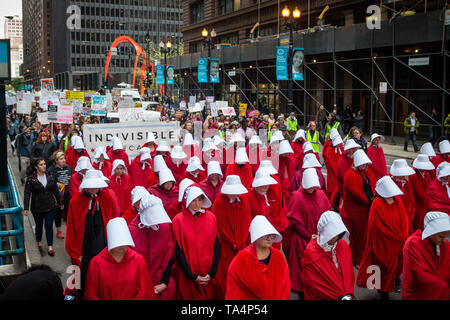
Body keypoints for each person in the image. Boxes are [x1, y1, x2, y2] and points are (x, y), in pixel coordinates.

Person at [65, 169, 119, 299]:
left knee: (103, 277)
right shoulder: (76, 201)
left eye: (96, 185)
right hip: (84, 246)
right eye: (91, 186)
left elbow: (114, 222)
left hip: (103, 244)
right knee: (83, 277)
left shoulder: (107, 198)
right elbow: (71, 227)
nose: (94, 188)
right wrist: (74, 252)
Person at [356, 176, 410, 300]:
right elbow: (379, 227)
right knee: (382, 268)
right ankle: (382, 291)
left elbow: (404, 219)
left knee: (395, 267)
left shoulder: (397, 200)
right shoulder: (377, 204)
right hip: (382, 243)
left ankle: (390, 285)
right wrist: (396, 236)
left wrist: (402, 235)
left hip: (397, 242)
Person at [284, 169, 331, 299]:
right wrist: (308, 235)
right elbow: (294, 220)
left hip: (320, 239)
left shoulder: (321, 194)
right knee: (303, 272)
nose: (312, 189)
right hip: (302, 241)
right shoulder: (297, 196)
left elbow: (328, 215)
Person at [84, 217, 156, 300]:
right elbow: (91, 294)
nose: (121, 246)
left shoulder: (138, 260)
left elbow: (145, 291)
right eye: (117, 244)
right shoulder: (96, 263)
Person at [172, 185, 220, 300]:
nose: (197, 204)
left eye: (199, 200)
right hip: (188, 276)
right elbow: (178, 251)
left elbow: (216, 246)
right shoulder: (178, 220)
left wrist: (212, 272)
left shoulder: (211, 218)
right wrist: (192, 276)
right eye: (193, 200)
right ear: (187, 201)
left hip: (208, 274)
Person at [225, 215, 290, 300]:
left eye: (271, 235)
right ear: (256, 236)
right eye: (265, 234)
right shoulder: (241, 259)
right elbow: (234, 291)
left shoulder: (279, 257)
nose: (269, 238)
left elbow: (285, 285)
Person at [129, 194, 176, 300]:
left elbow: (169, 256)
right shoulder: (132, 230)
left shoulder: (164, 228)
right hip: (137, 285)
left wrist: (164, 283)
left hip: (161, 283)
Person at [212, 175, 252, 298]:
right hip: (225, 246)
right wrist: (232, 241)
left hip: (241, 245)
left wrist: (241, 241)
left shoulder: (244, 200)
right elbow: (220, 225)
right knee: (225, 273)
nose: (235, 194)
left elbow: (246, 221)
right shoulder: (219, 202)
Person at [302, 211, 354, 300]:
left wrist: (348, 292)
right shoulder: (312, 252)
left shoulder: (343, 246)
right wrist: (337, 295)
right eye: (332, 233)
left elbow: (348, 272)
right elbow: (313, 283)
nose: (335, 236)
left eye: (337, 233)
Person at [402, 211, 450, 300]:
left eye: (445, 237)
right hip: (421, 293)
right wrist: (442, 285)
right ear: (431, 231)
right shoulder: (413, 243)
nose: (444, 240)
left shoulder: (444, 243)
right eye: (441, 236)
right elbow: (418, 274)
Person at [341, 149, 377, 266]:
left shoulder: (369, 173)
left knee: (365, 235)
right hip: (355, 211)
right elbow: (356, 193)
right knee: (357, 236)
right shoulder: (349, 175)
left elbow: (374, 186)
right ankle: (355, 258)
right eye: (361, 163)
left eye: (365, 163)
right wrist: (370, 201)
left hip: (367, 209)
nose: (364, 165)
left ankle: (362, 256)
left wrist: (374, 199)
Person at [23, 158, 63, 257]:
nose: (44, 166)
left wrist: (60, 203)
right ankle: (39, 241)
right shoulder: (31, 179)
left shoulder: (50, 176)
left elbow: (55, 191)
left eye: (44, 164)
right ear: (36, 167)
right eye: (41, 165)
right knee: (39, 225)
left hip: (50, 206)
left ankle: (50, 246)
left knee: (49, 225)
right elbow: (27, 194)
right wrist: (26, 208)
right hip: (37, 207)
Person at [247, 171, 286, 239]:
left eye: (267, 184)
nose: (267, 187)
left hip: (266, 233)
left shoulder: (265, 195)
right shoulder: (248, 196)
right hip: (254, 234)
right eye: (264, 184)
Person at [47, 151, 73, 239]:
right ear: (56, 160)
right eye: (61, 159)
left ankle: (70, 231)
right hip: (57, 195)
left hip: (68, 194)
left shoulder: (68, 168)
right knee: (58, 213)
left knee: (69, 212)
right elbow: (49, 182)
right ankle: (59, 230)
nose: (63, 160)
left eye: (64, 158)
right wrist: (56, 183)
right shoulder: (51, 170)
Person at [332, 139, 361, 211]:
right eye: (351, 149)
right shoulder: (342, 160)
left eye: (354, 148)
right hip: (345, 189)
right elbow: (343, 177)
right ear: (348, 149)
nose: (353, 150)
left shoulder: (355, 158)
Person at [389, 159, 416, 235]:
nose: (404, 176)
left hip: (405, 217)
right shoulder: (389, 181)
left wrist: (409, 216)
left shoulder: (406, 183)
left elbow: (411, 200)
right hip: (395, 218)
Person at [410, 154, 435, 231]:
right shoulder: (413, 176)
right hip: (417, 206)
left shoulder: (426, 174)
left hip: (426, 205)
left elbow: (430, 187)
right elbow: (416, 192)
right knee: (418, 226)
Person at [325, 135, 344, 200]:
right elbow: (331, 162)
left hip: (340, 173)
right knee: (332, 188)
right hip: (333, 173)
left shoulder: (342, 149)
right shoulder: (329, 150)